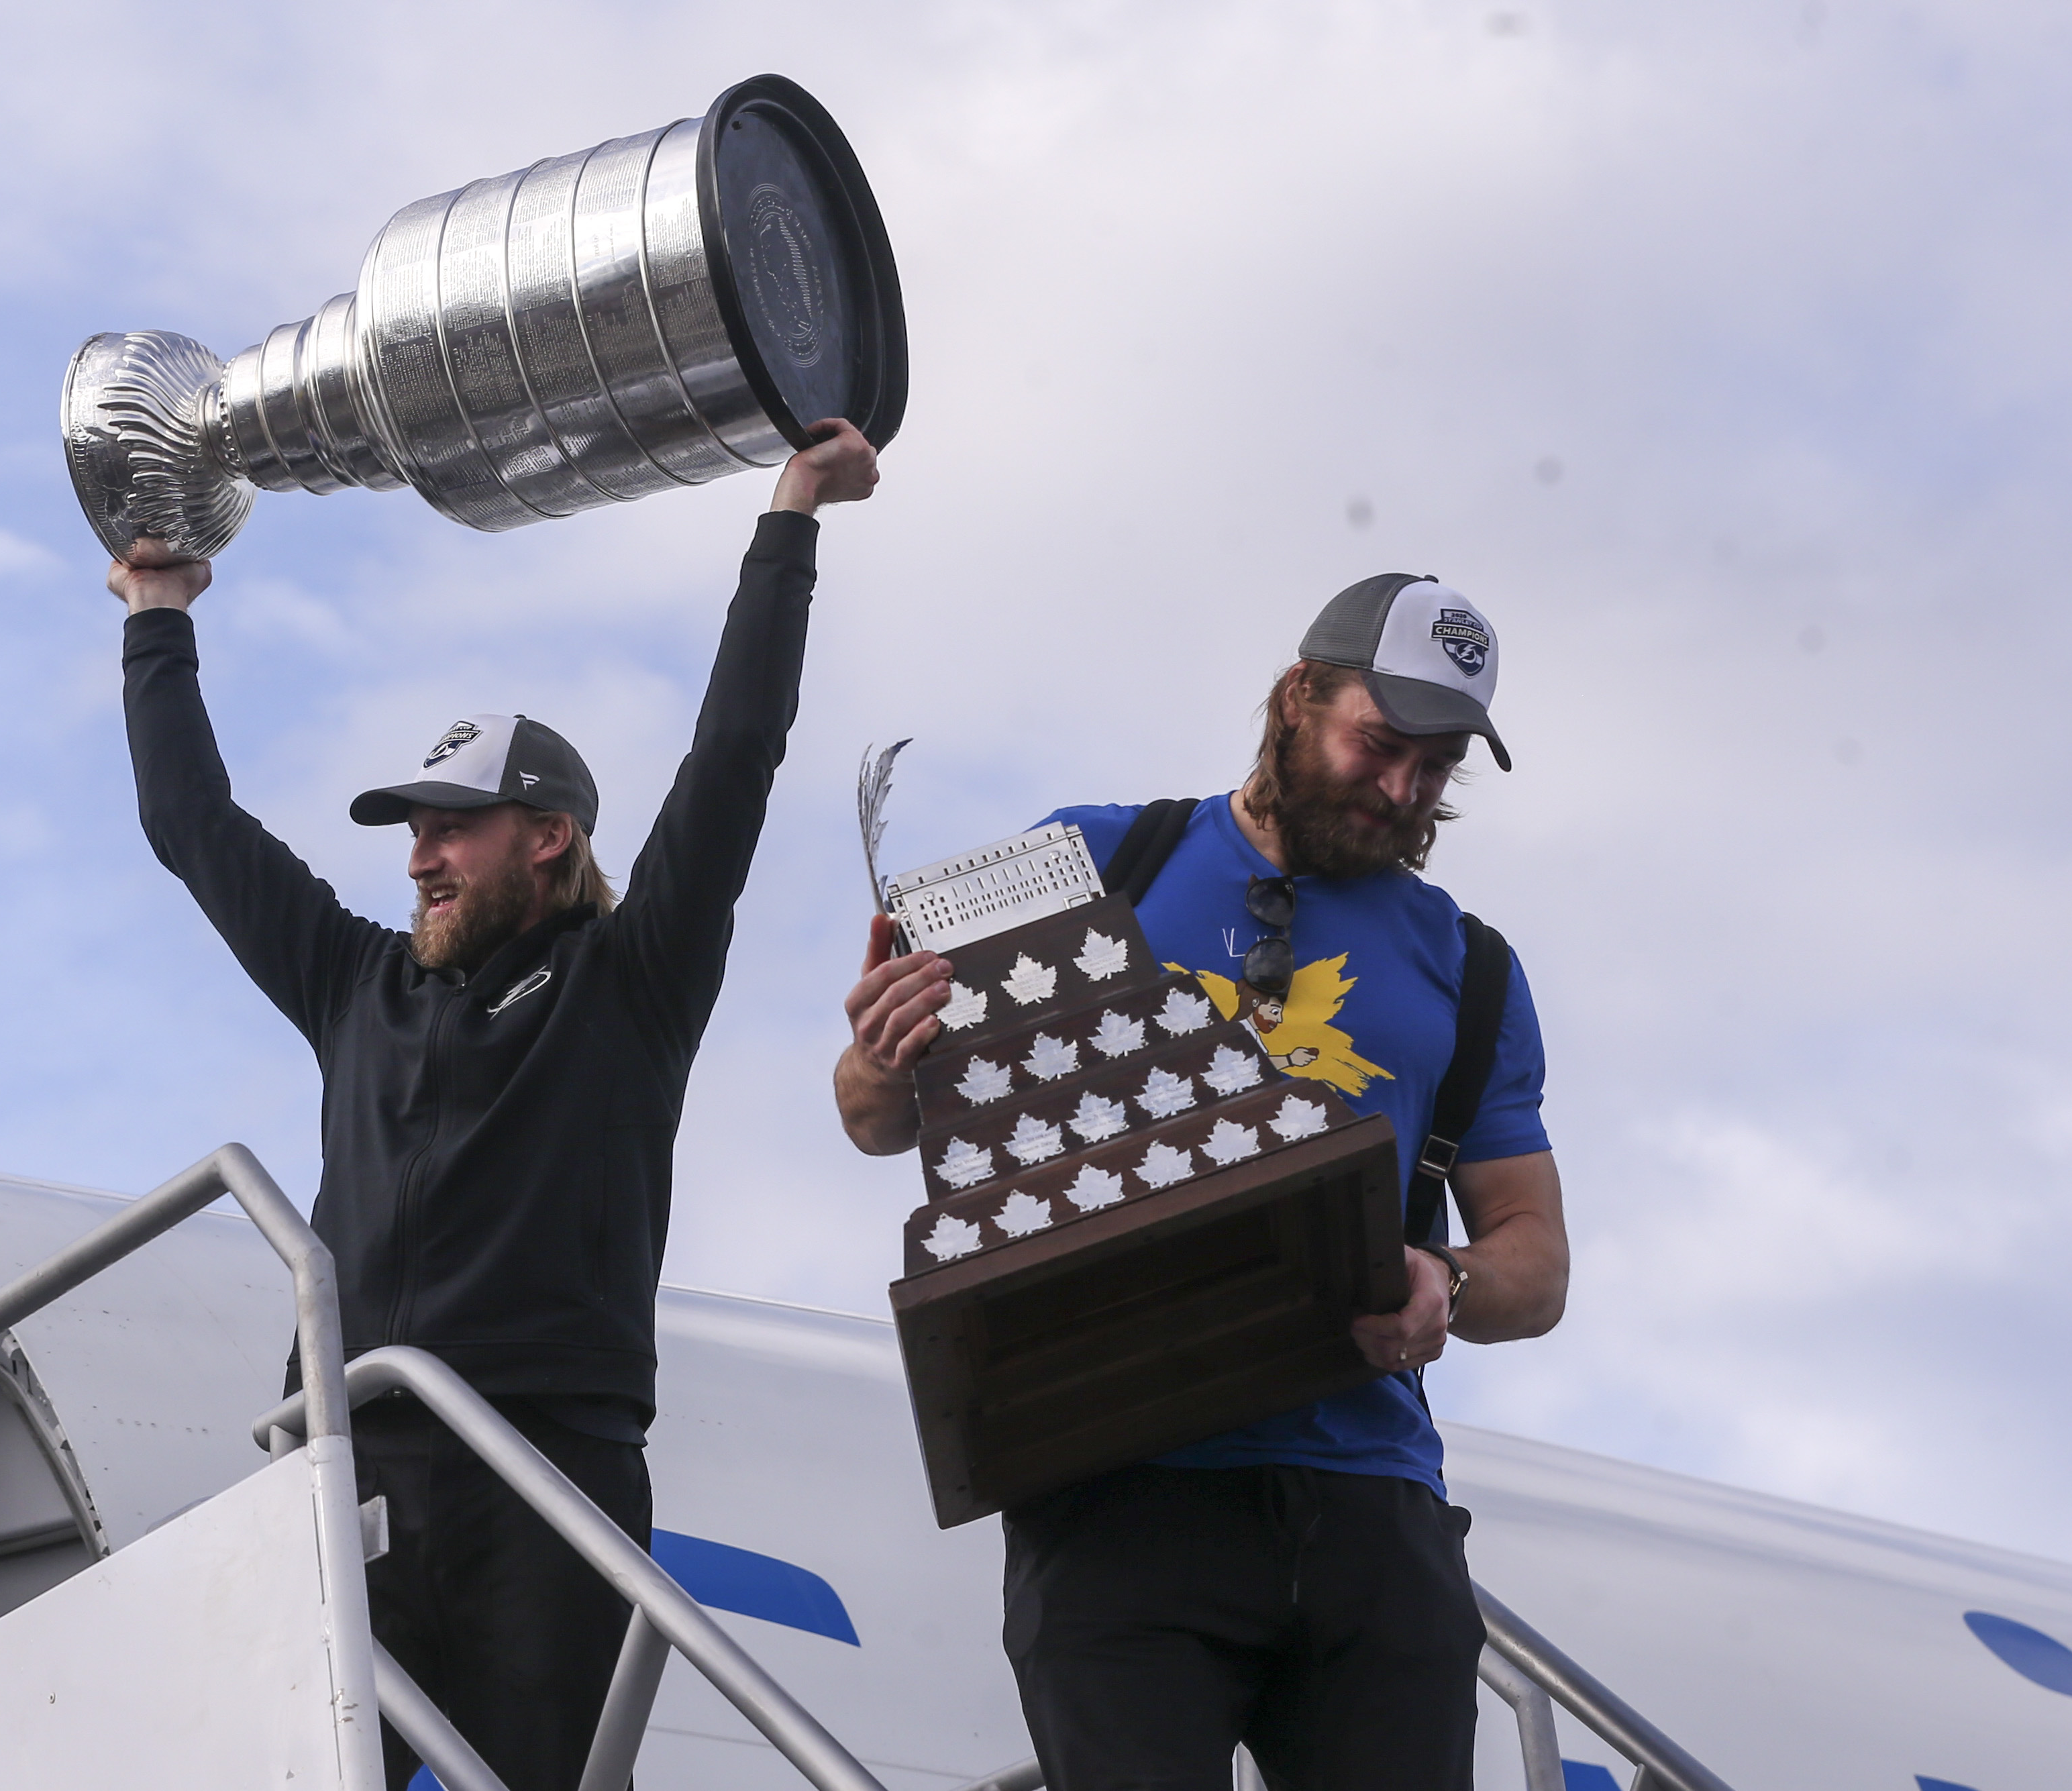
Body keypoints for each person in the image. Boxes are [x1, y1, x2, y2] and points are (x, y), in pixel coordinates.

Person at [109, 418, 880, 1791]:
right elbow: (193, 826)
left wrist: (792, 518)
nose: (418, 857)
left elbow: (738, 750)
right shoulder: (355, 981)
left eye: (448, 825)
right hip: (352, 1469)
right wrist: (159, 619)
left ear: (548, 835)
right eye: (411, 832)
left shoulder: (630, 981)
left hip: (549, 1475)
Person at [834, 574, 1570, 1791]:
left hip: (1369, 1495)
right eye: (1378, 743)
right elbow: (877, 1118)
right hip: (1121, 1482)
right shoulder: (1094, 857)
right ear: (1296, 695)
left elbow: (1534, 1259)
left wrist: (1448, 1275)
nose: (1401, 788)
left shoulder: (1472, 966)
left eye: (1435, 767)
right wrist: (879, 1053)